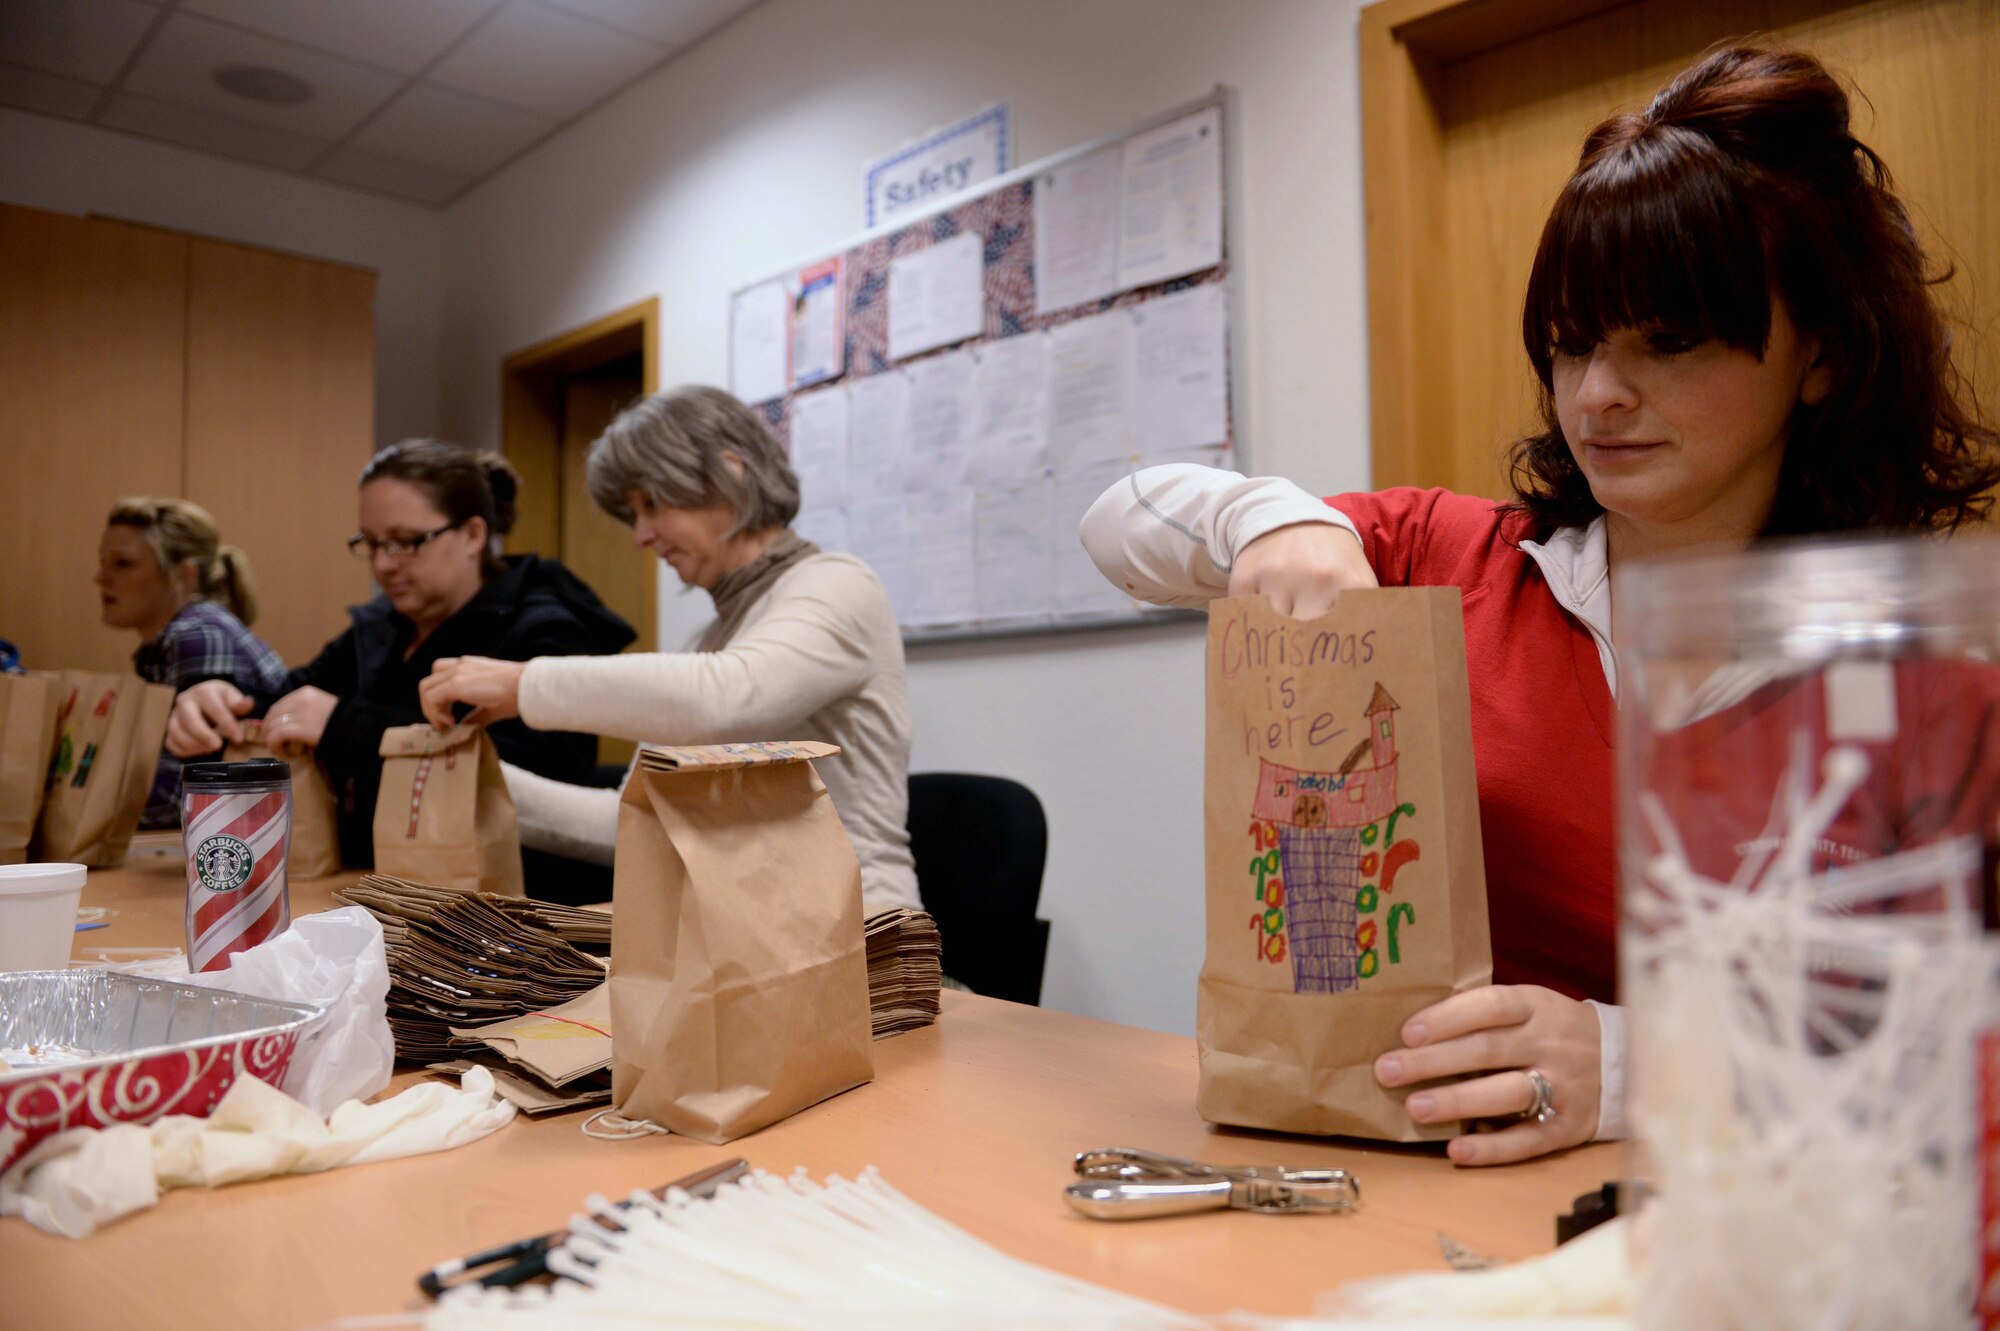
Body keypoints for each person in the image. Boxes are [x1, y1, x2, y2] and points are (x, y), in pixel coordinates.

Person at [1081, 46, 2000, 1165]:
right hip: (1444, 1195)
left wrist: (1628, 1063)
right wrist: (1270, 519)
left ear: (1816, 354)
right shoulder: (1457, 558)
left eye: (1668, 342)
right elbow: (1122, 522)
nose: (1599, 396)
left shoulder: (1934, 670)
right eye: (1571, 345)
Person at [416, 386, 921, 915]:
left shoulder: (839, 584)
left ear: (730, 475)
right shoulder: (714, 638)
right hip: (750, 938)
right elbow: (634, 822)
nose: (641, 536)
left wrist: (523, 685)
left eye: (652, 505)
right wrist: (478, 778)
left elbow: (726, 696)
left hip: (867, 940)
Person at [166, 440, 635, 867]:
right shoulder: (383, 626)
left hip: (506, 910)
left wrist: (346, 726)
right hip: (379, 884)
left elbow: (536, 778)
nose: (383, 564)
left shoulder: (548, 631)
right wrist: (217, 705)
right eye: (370, 544)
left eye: (405, 542)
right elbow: (290, 700)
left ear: (473, 535)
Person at [98, 497, 288, 827]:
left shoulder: (198, 636)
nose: (100, 577)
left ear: (184, 575)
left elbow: (184, 796)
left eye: (123, 564)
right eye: (102, 562)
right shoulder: (176, 639)